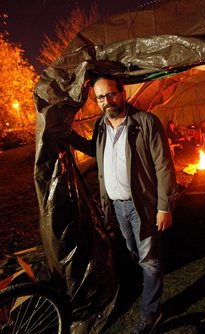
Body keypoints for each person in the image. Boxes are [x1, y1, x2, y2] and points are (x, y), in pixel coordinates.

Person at [70, 73, 177, 334]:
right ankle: (147, 282)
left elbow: (164, 166)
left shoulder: (145, 122)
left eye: (111, 94)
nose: (107, 101)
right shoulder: (100, 127)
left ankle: (151, 313)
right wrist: (67, 137)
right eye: (100, 97)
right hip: (117, 206)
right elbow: (94, 150)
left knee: (149, 259)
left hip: (143, 205)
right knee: (133, 250)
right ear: (95, 101)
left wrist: (164, 206)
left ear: (123, 93)